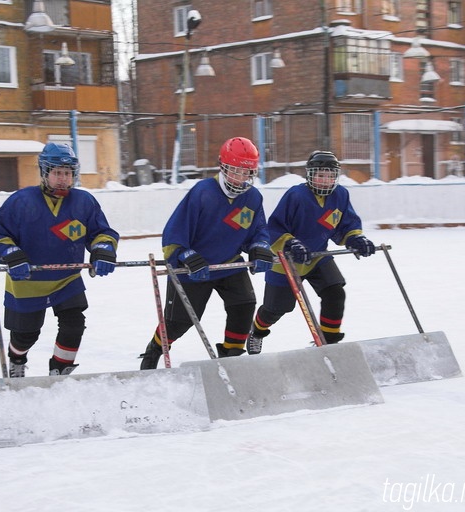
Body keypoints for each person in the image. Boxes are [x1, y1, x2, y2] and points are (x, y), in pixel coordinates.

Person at [0, 142, 119, 377]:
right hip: (27, 280)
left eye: (67, 173)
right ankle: (17, 360)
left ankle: (59, 371)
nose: (63, 179)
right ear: (45, 173)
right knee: (26, 335)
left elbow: (101, 232)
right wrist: (10, 254)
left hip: (66, 280)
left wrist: (104, 249)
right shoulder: (21, 201)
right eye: (57, 173)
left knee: (74, 324)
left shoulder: (84, 202)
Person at [140, 137, 273, 369]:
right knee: (179, 322)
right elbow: (173, 234)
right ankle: (154, 350)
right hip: (192, 268)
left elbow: (258, 230)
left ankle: (231, 357)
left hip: (229, 263)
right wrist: (185, 254)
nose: (241, 178)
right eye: (235, 171)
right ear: (223, 167)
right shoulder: (203, 192)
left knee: (244, 304)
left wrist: (260, 247)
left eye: (247, 172)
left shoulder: (253, 198)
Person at [246, 150, 376, 354]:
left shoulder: (341, 195)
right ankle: (257, 332)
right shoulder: (296, 195)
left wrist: (355, 237)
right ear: (310, 175)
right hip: (285, 262)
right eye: (320, 175)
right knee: (276, 309)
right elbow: (275, 227)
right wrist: (291, 244)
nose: (326, 181)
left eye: (330, 175)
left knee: (335, 292)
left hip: (316, 257)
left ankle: (329, 343)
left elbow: (345, 223)